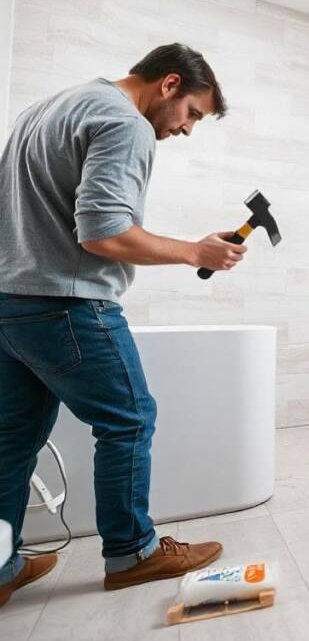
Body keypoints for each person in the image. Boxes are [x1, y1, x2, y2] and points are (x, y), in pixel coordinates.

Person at [0, 43, 248, 607]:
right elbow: (103, 233)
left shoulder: (47, 109)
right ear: (167, 85)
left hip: (9, 303)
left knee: (11, 442)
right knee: (130, 420)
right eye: (192, 114)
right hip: (67, 303)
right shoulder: (124, 121)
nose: (187, 130)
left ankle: (1, 565)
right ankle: (133, 553)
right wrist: (193, 252)